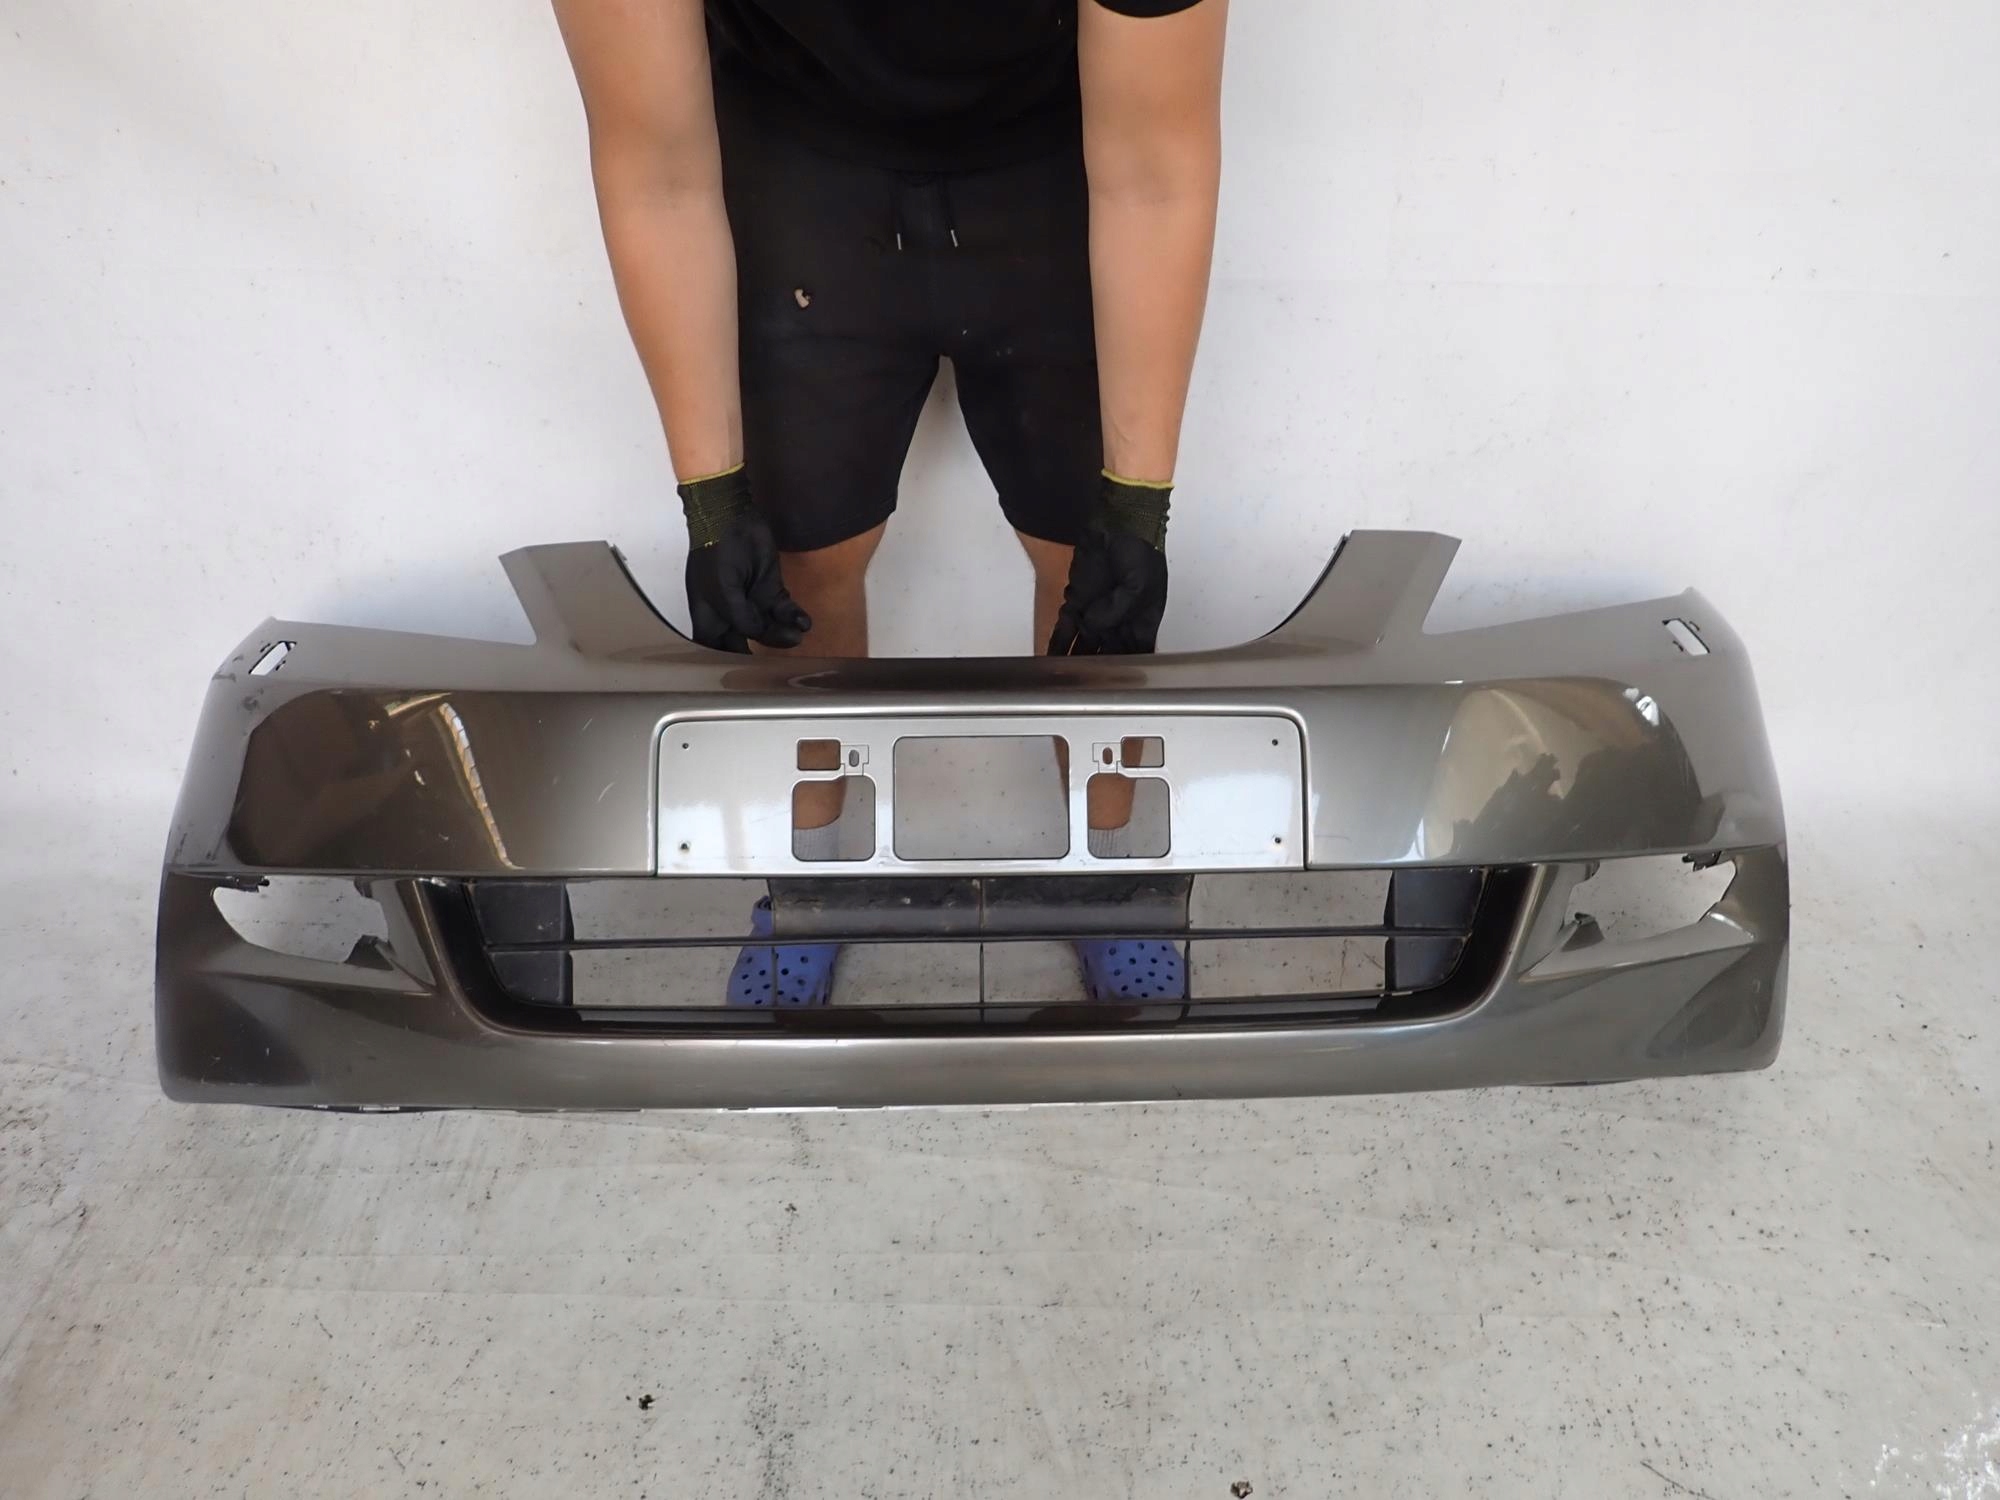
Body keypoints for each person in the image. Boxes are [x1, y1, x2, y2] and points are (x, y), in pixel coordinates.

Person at [553, 0, 1227, 1005]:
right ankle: (812, 882)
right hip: (803, 149)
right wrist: (712, 497)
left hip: (1053, 146)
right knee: (796, 565)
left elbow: (1154, 166)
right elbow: (655, 167)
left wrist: (1137, 507)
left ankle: (1105, 873)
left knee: (1088, 564)